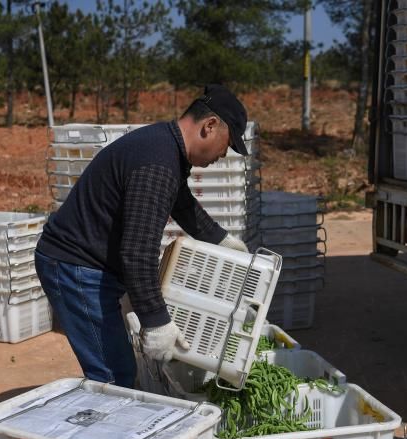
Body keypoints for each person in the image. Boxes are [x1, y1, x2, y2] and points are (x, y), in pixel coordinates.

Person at [35, 84, 250, 389]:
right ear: (210, 126)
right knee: (114, 375)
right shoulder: (158, 162)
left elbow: (181, 202)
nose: (222, 156)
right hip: (75, 267)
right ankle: (108, 432)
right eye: (226, 146)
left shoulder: (164, 146)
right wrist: (157, 321)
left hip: (87, 264)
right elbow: (137, 252)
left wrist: (221, 240)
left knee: (118, 368)